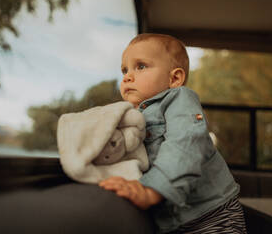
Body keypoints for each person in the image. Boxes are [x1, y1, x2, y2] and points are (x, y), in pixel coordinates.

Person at [99, 33, 247, 233]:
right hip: (170, 222)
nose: (127, 76)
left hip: (210, 214)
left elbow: (186, 142)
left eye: (140, 66)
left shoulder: (178, 99)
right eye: (125, 70)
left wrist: (151, 189)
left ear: (175, 78)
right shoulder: (131, 117)